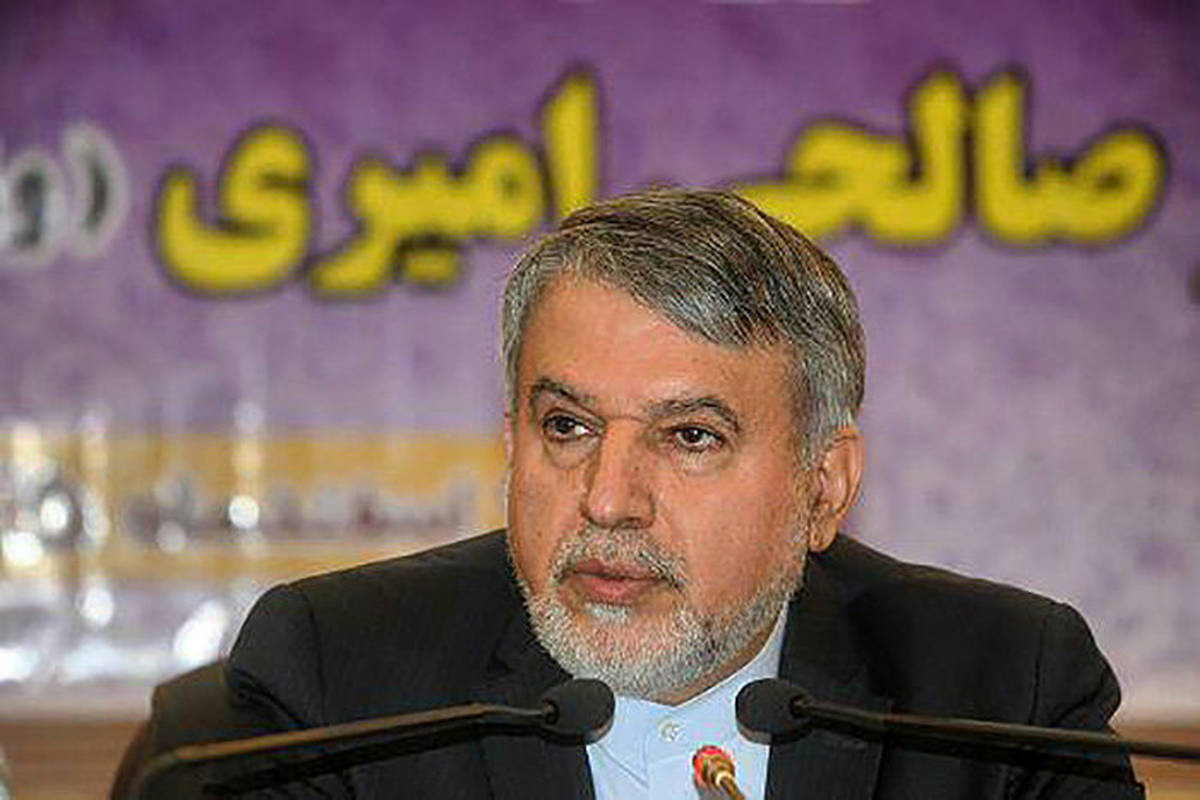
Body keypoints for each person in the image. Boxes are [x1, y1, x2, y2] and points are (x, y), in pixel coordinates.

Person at [121, 189, 1143, 799]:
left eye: (690, 437)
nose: (608, 499)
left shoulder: (1004, 697)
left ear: (822, 486)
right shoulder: (334, 684)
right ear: (511, 441)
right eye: (567, 426)